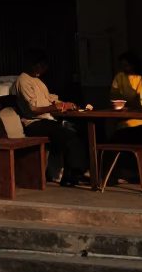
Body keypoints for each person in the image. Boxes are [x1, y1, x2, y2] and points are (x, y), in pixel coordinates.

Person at [12, 47, 87, 186]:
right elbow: (33, 110)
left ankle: (77, 172)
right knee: (69, 136)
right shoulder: (24, 80)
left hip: (48, 121)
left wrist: (65, 104)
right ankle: (71, 176)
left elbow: (49, 99)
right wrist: (55, 107)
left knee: (79, 131)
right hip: (34, 123)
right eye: (40, 65)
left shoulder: (38, 81)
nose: (43, 68)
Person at [110, 50, 142, 146]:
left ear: (133, 65)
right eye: (121, 65)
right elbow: (115, 99)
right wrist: (120, 108)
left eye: (126, 65)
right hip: (123, 122)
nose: (123, 68)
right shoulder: (119, 78)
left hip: (141, 120)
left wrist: (133, 108)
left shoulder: (141, 80)